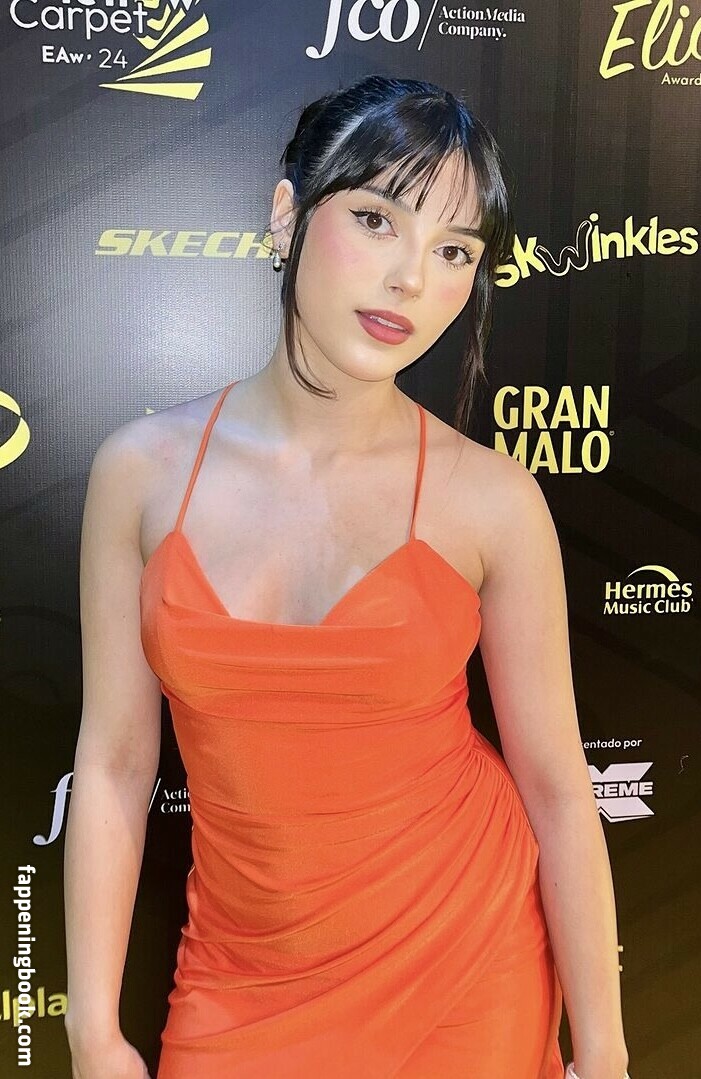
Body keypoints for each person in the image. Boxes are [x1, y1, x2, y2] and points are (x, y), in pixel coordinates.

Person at [64, 74, 631, 1078]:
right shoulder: (139, 473)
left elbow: (554, 786)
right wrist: (92, 1031)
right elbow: (112, 763)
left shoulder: (493, 500)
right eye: (376, 219)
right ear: (287, 215)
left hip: (464, 962)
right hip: (240, 982)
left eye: (453, 250)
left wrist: (604, 1052)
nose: (410, 277)